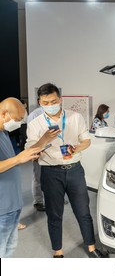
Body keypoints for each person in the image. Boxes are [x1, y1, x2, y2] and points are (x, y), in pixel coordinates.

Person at [25, 83, 107, 258]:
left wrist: (76, 148)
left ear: (60, 99)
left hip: (74, 170)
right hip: (50, 172)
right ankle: (58, 251)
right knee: (54, 214)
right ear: (39, 102)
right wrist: (44, 139)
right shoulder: (34, 124)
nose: (50, 105)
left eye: (53, 101)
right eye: (45, 102)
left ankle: (91, 247)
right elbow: (31, 151)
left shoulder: (75, 117)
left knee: (83, 211)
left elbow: (86, 140)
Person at [0, 97, 41, 258]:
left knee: (9, 249)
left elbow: (9, 162)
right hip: (2, 208)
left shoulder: (3, 132)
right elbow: (13, 161)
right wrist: (18, 159)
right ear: (4, 113)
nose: (18, 124)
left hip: (12, 205)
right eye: (17, 120)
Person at [27, 104, 45, 212]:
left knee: (53, 178)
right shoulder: (34, 115)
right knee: (38, 177)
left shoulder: (58, 114)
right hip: (39, 150)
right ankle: (38, 201)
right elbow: (30, 135)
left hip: (53, 151)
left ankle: (55, 198)